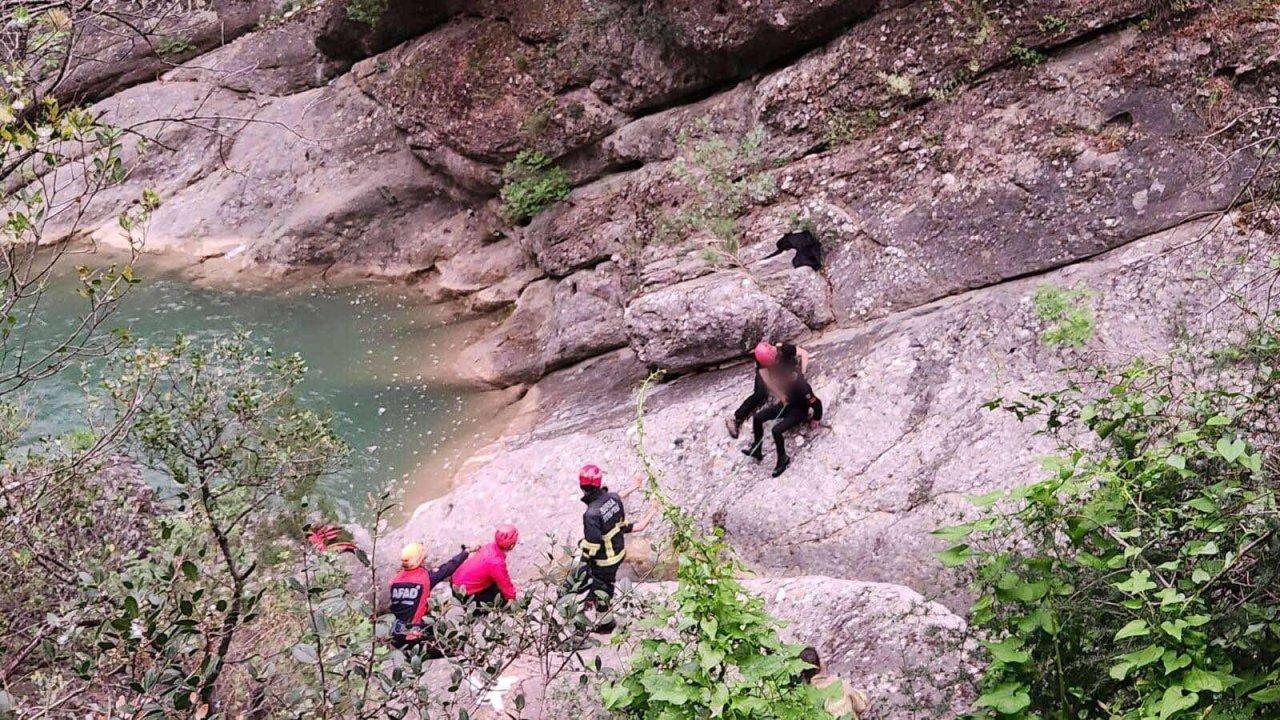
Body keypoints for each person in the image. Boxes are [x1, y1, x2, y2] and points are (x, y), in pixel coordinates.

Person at [566, 464, 657, 634]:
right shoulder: (612, 499)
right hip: (618, 552)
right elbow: (618, 498)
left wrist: (583, 559)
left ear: (581, 486)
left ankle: (606, 624)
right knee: (602, 584)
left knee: (602, 589)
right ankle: (592, 600)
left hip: (604, 560)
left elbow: (593, 544)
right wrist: (639, 492)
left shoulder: (591, 514)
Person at [389, 542, 470, 654]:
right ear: (420, 560)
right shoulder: (425, 578)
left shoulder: (394, 580)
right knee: (458, 649)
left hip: (395, 634)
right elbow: (449, 567)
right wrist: (466, 552)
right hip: (413, 636)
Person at [744, 364, 822, 477]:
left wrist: (816, 418)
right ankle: (757, 449)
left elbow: (816, 403)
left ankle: (783, 459)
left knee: (776, 430)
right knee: (757, 418)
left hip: (798, 411)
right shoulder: (787, 379)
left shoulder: (803, 387)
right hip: (786, 405)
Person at [726, 340, 811, 439]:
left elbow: (804, 354)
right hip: (769, 372)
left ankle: (801, 413)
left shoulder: (783, 348)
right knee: (760, 394)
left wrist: (803, 372)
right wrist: (780, 395)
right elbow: (767, 381)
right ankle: (737, 418)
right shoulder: (761, 359)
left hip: (785, 368)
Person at [451, 524, 519, 612]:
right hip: (466, 594)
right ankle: (476, 613)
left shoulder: (490, 547)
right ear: (511, 545)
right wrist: (513, 600)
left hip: (456, 583)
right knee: (501, 599)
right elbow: (506, 585)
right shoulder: (496, 562)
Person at [798, 646, 869, 719]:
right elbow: (861, 707)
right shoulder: (838, 683)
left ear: (802, 673)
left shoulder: (801, 695)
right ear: (820, 666)